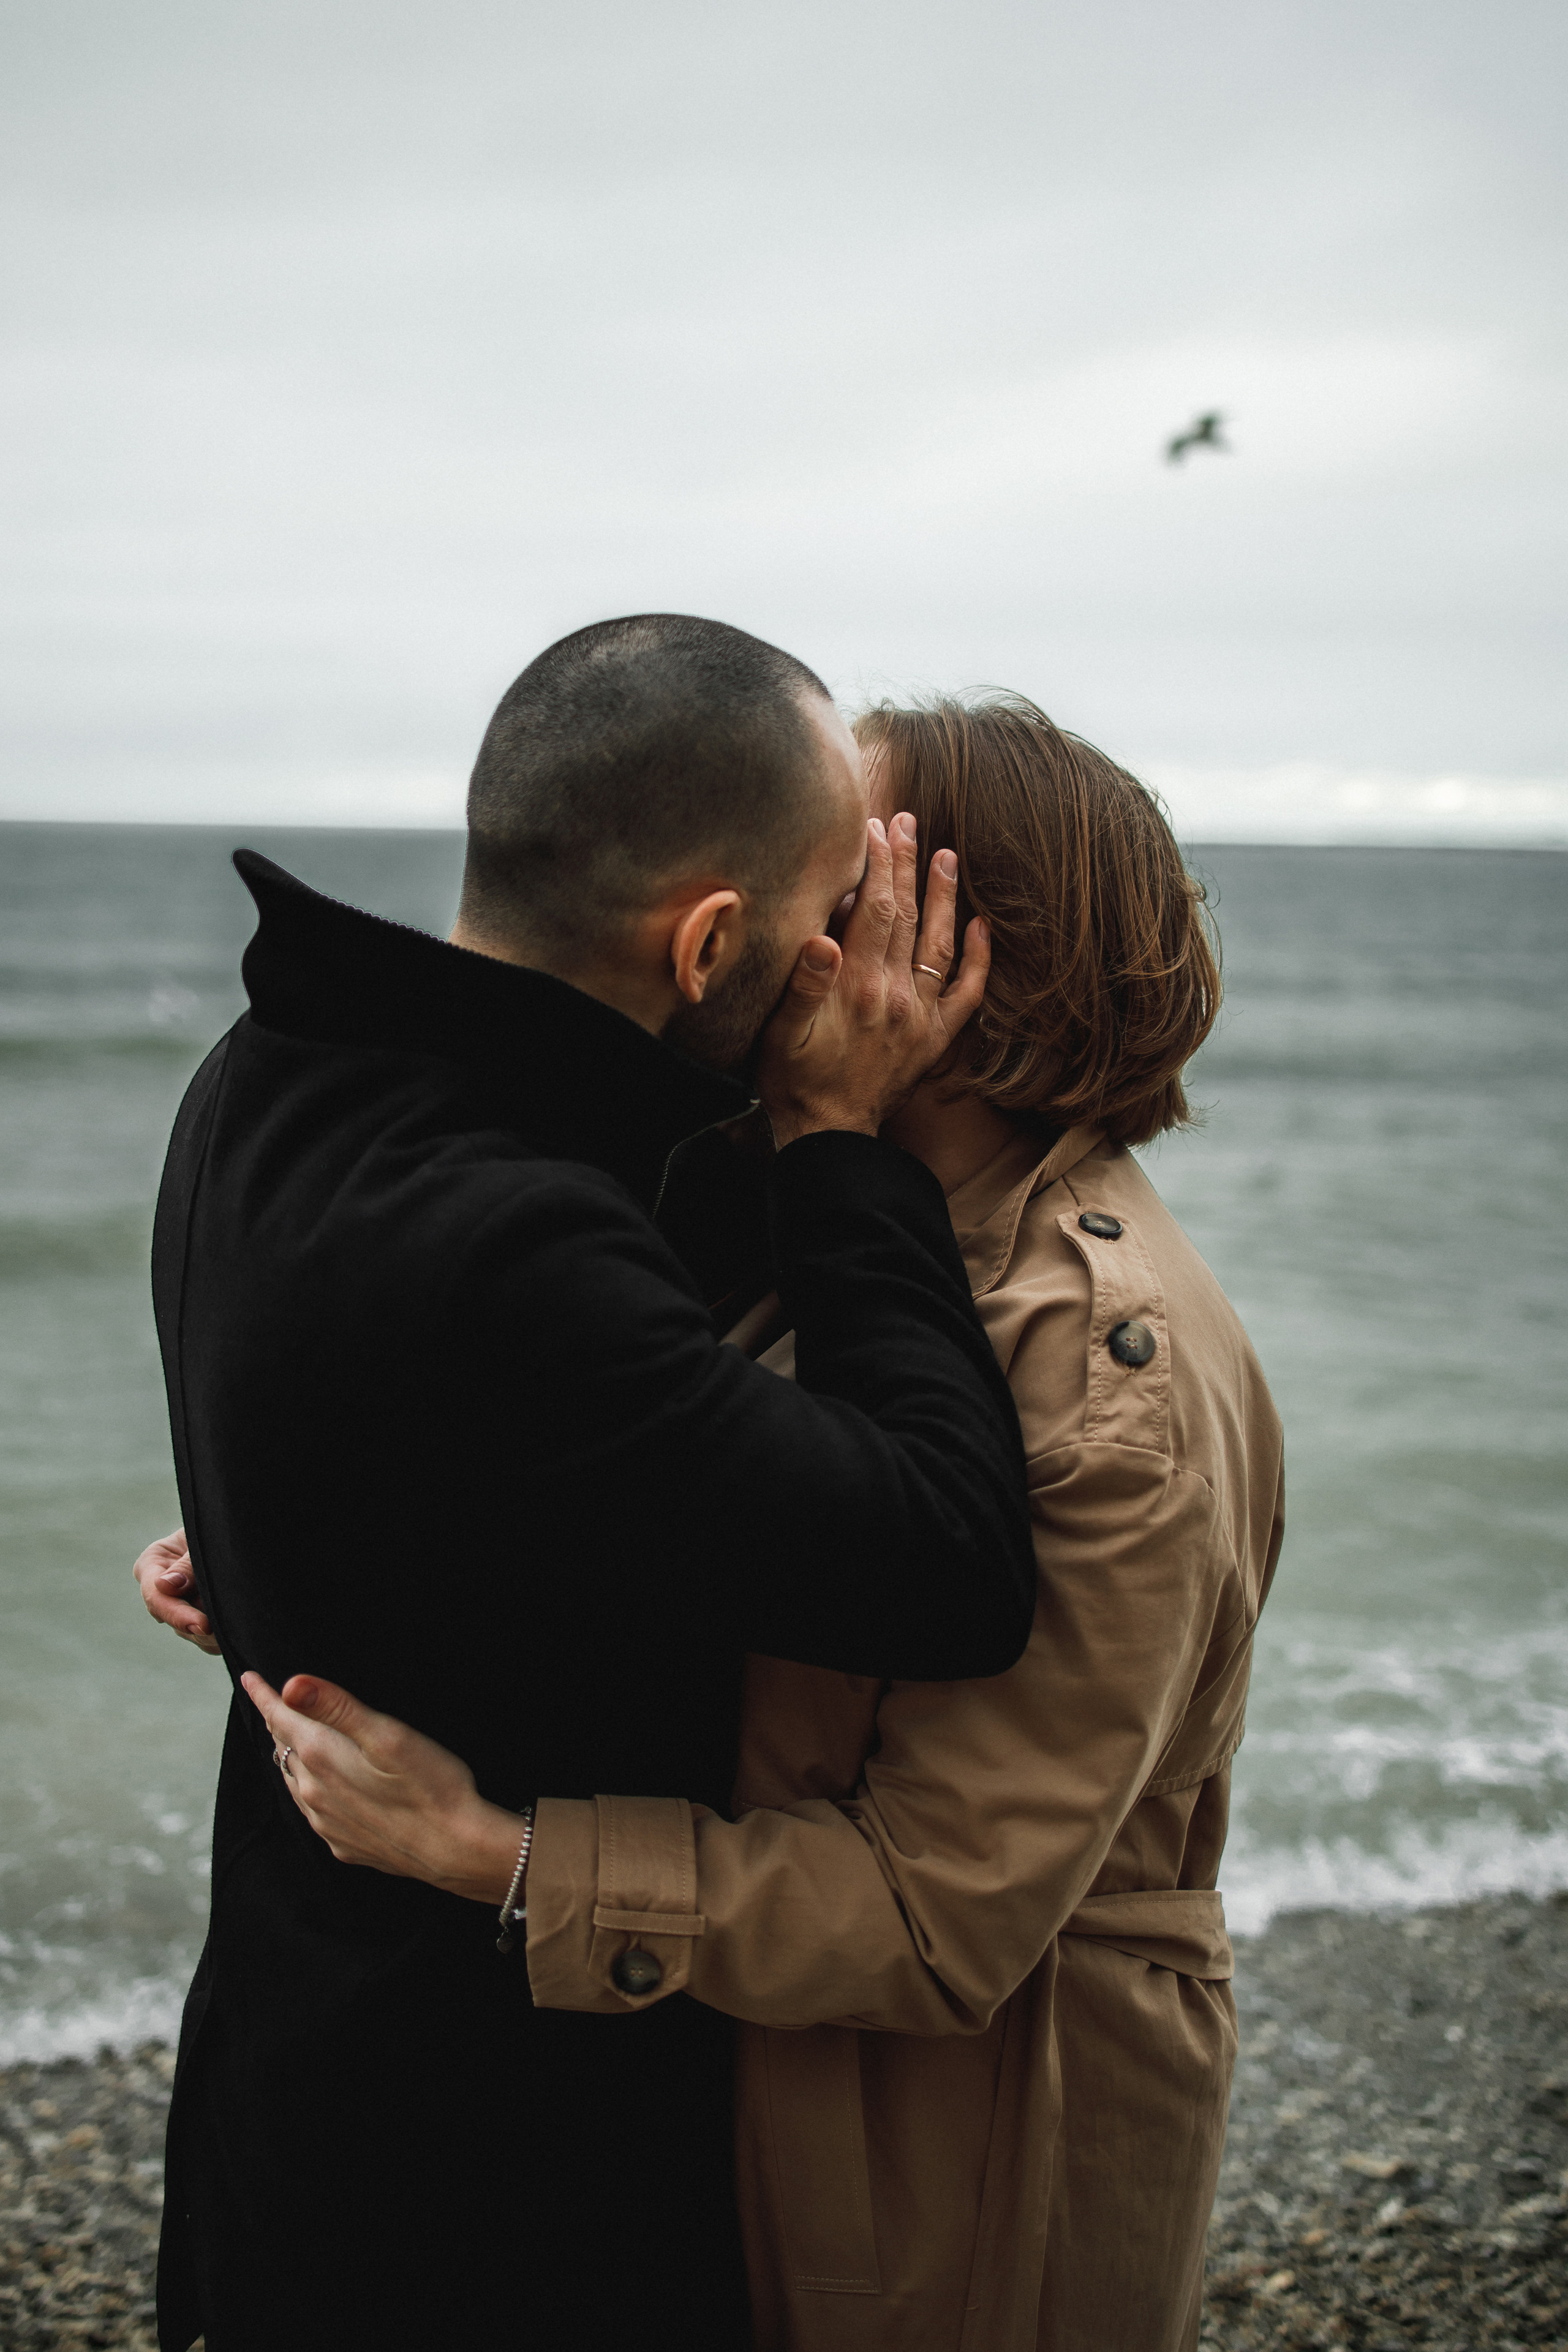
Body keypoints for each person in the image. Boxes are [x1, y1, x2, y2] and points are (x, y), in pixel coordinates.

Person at [193, 695, 1287, 2352]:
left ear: (954, 956)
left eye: (837, 880)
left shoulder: (1091, 1373)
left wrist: (498, 1854)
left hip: (957, 2156)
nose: (766, 907)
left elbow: (938, 1913)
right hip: (782, 2104)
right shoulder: (818, 1210)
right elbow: (674, 1484)